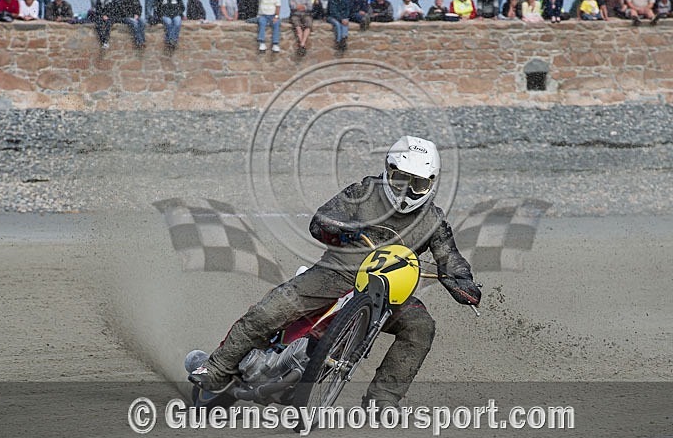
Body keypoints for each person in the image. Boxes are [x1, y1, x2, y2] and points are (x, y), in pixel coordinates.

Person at [189, 136, 482, 411]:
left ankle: (383, 400)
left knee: (421, 327)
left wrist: (463, 283)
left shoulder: (433, 220)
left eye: (416, 184)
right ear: (388, 171)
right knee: (274, 307)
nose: (406, 191)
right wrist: (341, 228)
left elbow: (450, 259)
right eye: (400, 179)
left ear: (431, 184)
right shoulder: (362, 192)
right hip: (336, 273)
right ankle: (216, 370)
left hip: (391, 293)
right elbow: (321, 220)